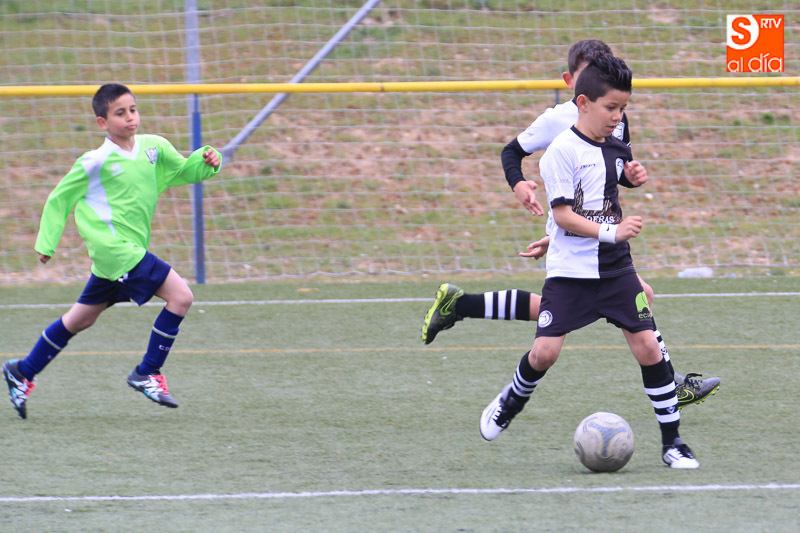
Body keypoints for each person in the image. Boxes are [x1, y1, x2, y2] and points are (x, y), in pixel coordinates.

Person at [421, 39, 720, 409]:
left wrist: (631, 178)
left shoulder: (615, 116)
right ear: (572, 83)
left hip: (597, 231)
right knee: (632, 297)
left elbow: (613, 170)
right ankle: (670, 383)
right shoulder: (557, 119)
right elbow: (511, 152)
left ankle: (462, 304)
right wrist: (519, 185)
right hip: (573, 226)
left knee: (574, 307)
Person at [478, 55, 699, 468]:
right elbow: (564, 214)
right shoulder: (559, 152)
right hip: (571, 272)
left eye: (623, 108)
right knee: (544, 353)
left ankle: (673, 444)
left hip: (616, 268)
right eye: (611, 108)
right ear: (583, 103)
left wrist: (632, 177)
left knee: (649, 347)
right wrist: (606, 232)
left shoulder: (615, 146)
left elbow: (599, 200)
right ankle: (512, 399)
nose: (618, 116)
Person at [2, 83, 222, 419]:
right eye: (120, 113)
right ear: (102, 123)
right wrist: (47, 242)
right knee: (181, 297)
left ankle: (22, 371)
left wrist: (207, 160)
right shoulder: (94, 161)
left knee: (80, 319)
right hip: (116, 251)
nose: (130, 117)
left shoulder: (155, 147)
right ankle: (147, 372)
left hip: (124, 254)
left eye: (132, 109)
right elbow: (60, 198)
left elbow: (182, 171)